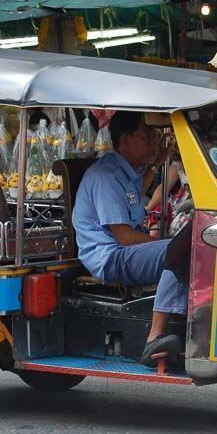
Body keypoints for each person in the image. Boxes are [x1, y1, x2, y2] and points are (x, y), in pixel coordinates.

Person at [73, 112, 188, 367]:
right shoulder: (106, 176)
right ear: (124, 141)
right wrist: (161, 241)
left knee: (187, 245)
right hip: (111, 258)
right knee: (180, 250)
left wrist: (157, 164)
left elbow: (135, 193)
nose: (152, 142)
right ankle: (154, 337)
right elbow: (125, 238)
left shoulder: (126, 172)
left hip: (123, 252)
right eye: (146, 137)